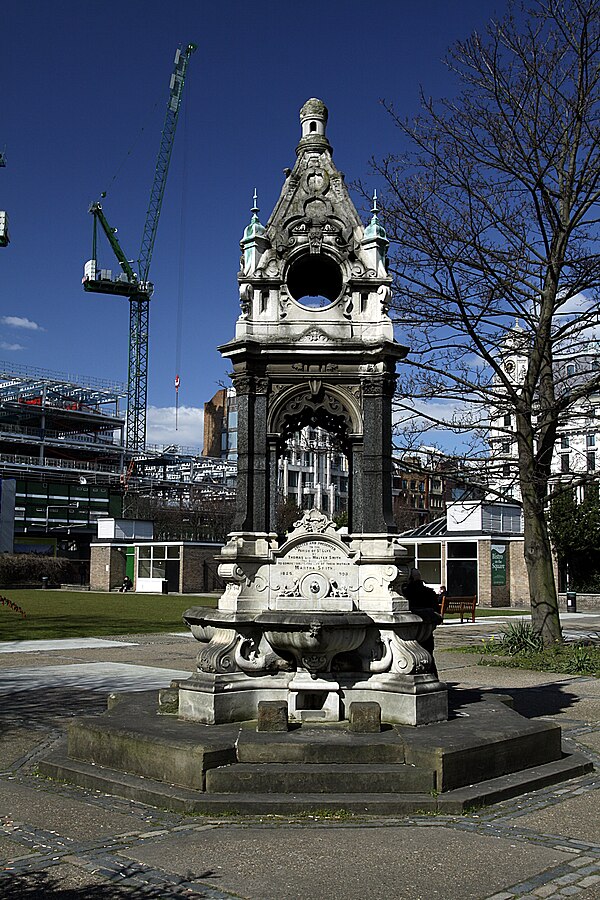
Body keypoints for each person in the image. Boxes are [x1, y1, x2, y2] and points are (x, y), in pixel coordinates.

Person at [402, 568, 441, 676]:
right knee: (429, 655)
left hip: (411, 631)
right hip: (426, 631)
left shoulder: (406, 593)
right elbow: (436, 612)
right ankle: (433, 677)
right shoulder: (429, 592)